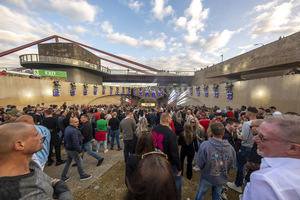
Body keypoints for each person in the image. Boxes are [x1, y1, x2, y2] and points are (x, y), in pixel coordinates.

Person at [0, 123, 72, 199]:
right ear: (20, 145)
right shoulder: (21, 191)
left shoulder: (29, 164)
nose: (42, 136)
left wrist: (51, 182)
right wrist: (61, 187)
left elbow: (42, 178)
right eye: (36, 135)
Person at [243, 115, 300, 200]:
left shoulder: (265, 180)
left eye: (262, 137)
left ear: (292, 148)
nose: (254, 139)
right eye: (258, 134)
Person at [194, 122, 236, 200]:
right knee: (216, 197)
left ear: (211, 133)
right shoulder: (231, 148)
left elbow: (200, 164)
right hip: (221, 177)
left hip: (206, 177)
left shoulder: (205, 145)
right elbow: (232, 165)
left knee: (200, 195)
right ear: (223, 133)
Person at [227, 106, 258, 193]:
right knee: (248, 166)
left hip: (245, 147)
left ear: (248, 113)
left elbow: (243, 138)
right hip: (253, 148)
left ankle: (238, 184)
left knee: (241, 166)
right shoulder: (259, 123)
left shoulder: (247, 124)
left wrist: (237, 132)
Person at [152, 112, 182, 199]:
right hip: (168, 163)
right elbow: (175, 153)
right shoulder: (171, 133)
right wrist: (179, 167)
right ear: (168, 120)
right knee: (176, 181)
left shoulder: (154, 129)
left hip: (157, 159)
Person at [61, 117, 92, 181]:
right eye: (75, 122)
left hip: (68, 148)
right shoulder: (74, 130)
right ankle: (82, 175)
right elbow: (75, 142)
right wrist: (79, 151)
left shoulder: (67, 128)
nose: (77, 123)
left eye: (78, 121)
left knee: (68, 162)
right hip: (73, 149)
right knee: (79, 161)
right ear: (71, 122)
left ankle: (63, 176)